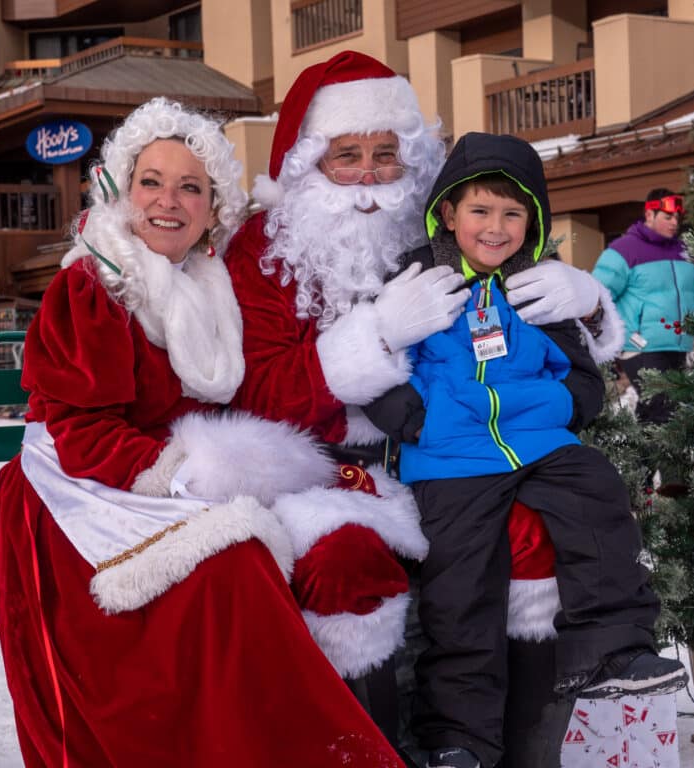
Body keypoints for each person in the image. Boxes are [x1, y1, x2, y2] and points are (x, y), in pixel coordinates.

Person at [224, 51, 626, 757]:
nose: (372, 176)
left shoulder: (446, 236)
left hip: (447, 453)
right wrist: (371, 337)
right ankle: (370, 750)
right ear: (304, 164)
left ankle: (524, 749)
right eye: (346, 157)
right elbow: (252, 391)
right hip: (320, 468)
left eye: (387, 154)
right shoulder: (262, 252)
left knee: (535, 534)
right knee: (348, 563)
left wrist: (591, 305)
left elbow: (537, 353)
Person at [0, 97, 405, 767]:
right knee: (231, 569)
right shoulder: (94, 285)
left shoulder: (209, 289)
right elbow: (81, 432)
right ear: (123, 190)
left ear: (213, 211)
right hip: (74, 499)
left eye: (191, 187)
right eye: (151, 182)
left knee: (269, 557)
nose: (168, 201)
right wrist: (191, 473)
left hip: (162, 485)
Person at [361, 133, 687, 768]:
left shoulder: (536, 289)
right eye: (480, 211)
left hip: (537, 443)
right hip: (451, 457)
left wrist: (566, 402)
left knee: (597, 495)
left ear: (532, 223)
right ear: (447, 214)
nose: (496, 227)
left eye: (513, 214)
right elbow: (376, 363)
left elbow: (585, 374)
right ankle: (458, 738)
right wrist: (414, 421)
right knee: (462, 592)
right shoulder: (416, 283)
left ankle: (615, 645)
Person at [593, 188, 694, 430]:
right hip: (639, 345)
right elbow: (598, 293)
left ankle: (639, 467)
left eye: (677, 218)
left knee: (657, 411)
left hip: (677, 344)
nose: (675, 223)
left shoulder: (683, 252)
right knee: (665, 410)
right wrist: (605, 337)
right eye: (667, 217)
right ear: (649, 215)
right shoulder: (624, 250)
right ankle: (672, 469)